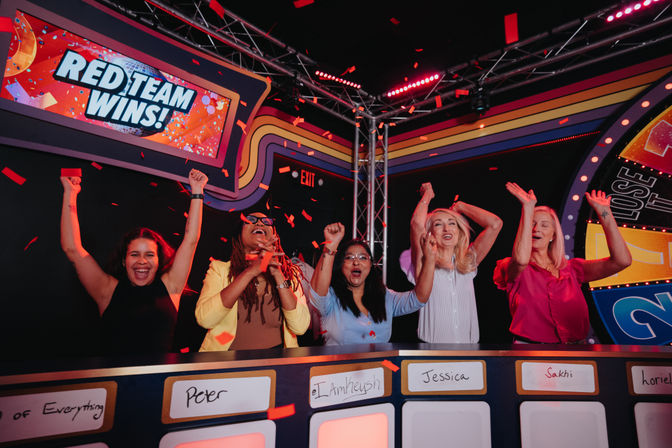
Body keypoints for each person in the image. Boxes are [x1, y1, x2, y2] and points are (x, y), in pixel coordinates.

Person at [60, 169, 208, 354]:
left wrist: (197, 191)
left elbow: (191, 239)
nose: (142, 261)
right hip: (115, 381)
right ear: (124, 260)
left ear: (158, 260)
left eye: (149, 255)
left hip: (160, 381)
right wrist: (70, 193)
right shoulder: (107, 290)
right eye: (135, 254)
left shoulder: (171, 286)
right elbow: (72, 249)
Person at [493, 183, 632, 344]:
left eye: (544, 225)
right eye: (531, 223)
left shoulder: (572, 269)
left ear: (553, 235)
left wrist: (604, 213)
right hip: (530, 351)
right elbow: (521, 260)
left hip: (576, 350)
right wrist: (528, 208)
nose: (536, 229)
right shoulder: (510, 266)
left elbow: (622, 261)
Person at [401, 182, 502, 343]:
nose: (447, 229)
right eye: (438, 224)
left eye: (452, 223)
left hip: (469, 351)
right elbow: (417, 224)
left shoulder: (468, 262)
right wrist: (427, 196)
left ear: (459, 231)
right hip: (432, 353)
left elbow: (495, 224)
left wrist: (461, 207)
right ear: (430, 233)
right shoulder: (425, 263)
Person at [195, 212, 310, 350]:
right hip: (227, 365)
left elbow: (300, 327)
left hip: (276, 366)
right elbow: (205, 319)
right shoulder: (219, 270)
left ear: (274, 235)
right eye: (250, 220)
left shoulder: (289, 273)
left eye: (266, 221)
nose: (260, 223)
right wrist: (250, 272)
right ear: (239, 235)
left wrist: (277, 274)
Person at [310, 222, 436, 345]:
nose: (356, 262)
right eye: (349, 258)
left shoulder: (386, 296)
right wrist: (331, 245)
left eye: (363, 257)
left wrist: (430, 258)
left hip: (379, 366)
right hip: (340, 365)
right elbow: (317, 292)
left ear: (371, 265)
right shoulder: (331, 298)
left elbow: (419, 298)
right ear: (341, 264)